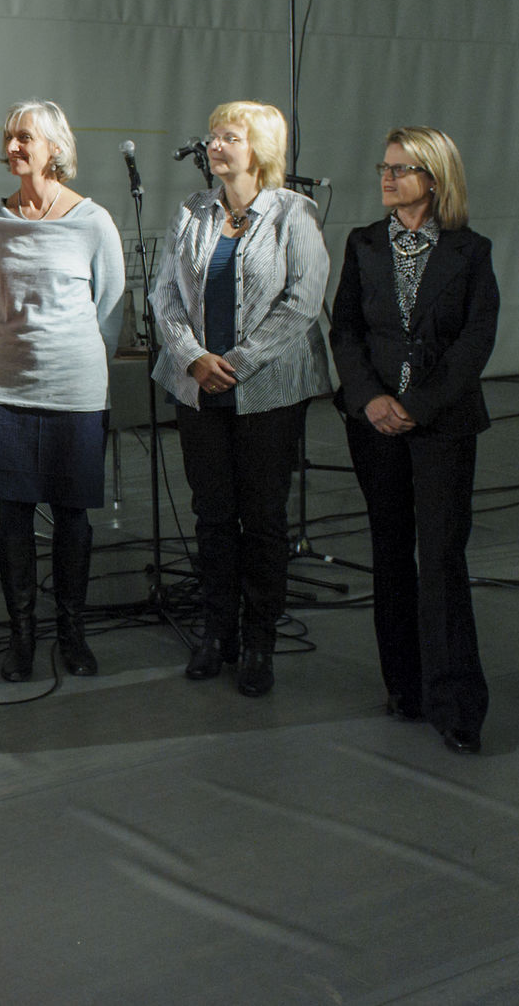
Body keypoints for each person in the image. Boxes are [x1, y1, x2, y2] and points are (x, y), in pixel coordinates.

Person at [152, 100, 332, 697]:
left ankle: (259, 640)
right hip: (198, 388)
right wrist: (193, 358)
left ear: (260, 148)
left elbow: (303, 302)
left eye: (229, 137)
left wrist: (238, 363)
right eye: (212, 137)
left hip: (268, 392)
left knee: (262, 518)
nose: (214, 146)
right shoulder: (191, 211)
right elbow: (164, 297)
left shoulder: (292, 213)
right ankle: (215, 631)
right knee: (211, 515)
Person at [329, 127, 498, 755]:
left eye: (401, 168)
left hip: (442, 425)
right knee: (391, 553)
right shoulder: (364, 243)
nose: (387, 177)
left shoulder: (470, 251)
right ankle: (405, 686)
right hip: (373, 426)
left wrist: (416, 405)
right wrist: (372, 398)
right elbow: (344, 331)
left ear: (434, 178)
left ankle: (457, 704)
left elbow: (475, 343)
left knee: (443, 558)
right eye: (385, 166)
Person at [0, 101, 125, 681]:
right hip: (4, 385)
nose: (14, 146)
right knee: (12, 515)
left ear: (56, 147)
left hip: (74, 387)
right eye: (9, 137)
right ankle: (22, 634)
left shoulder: (93, 221)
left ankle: (71, 632)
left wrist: (66, 351)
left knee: (72, 514)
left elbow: (109, 307)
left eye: (25, 137)